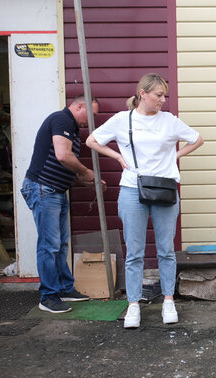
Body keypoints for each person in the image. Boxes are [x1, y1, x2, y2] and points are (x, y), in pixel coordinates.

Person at [86, 73, 203, 328]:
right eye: (159, 95)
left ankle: (169, 300)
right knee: (134, 252)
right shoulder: (122, 120)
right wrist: (117, 157)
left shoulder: (169, 121)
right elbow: (91, 140)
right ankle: (133, 305)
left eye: (164, 95)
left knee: (166, 250)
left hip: (164, 189)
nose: (163, 100)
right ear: (143, 94)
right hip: (132, 189)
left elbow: (197, 139)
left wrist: (175, 156)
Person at [21, 94, 101, 314]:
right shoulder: (62, 119)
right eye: (90, 115)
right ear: (79, 106)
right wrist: (86, 172)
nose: (91, 121)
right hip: (43, 189)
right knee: (49, 246)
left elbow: (63, 165)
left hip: (55, 190)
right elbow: (63, 156)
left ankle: (65, 289)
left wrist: (84, 181)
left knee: (61, 245)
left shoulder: (72, 128)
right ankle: (48, 297)